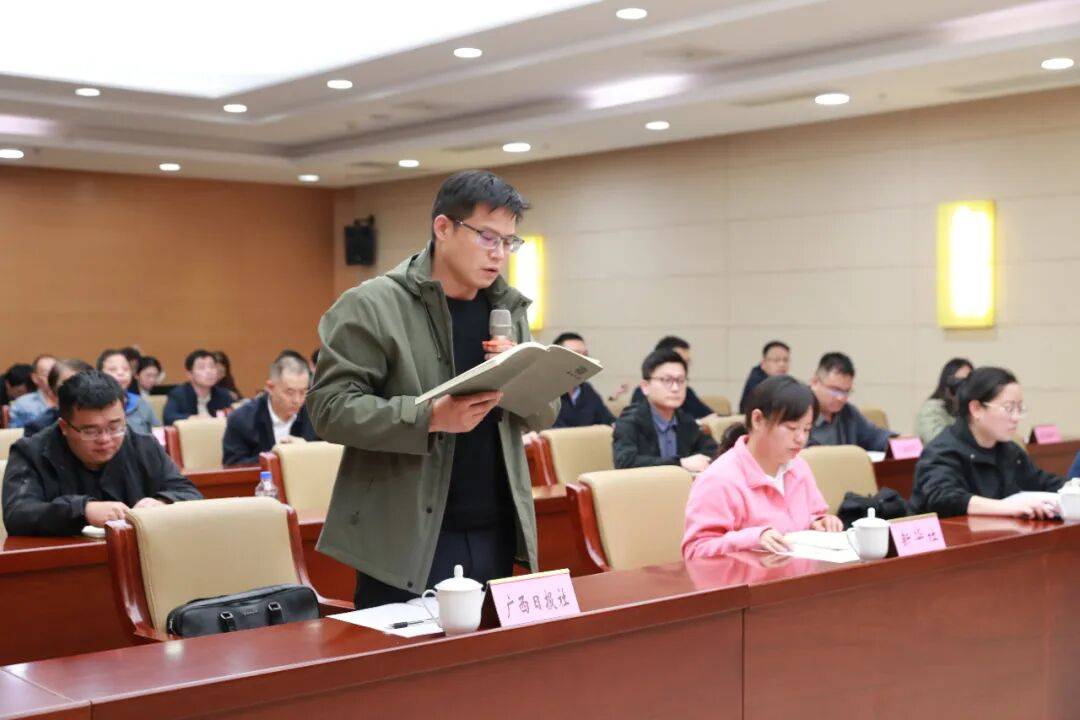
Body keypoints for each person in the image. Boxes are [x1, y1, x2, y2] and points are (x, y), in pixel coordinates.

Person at [306, 169, 558, 609]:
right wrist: (430, 417)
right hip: (406, 536)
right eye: (487, 237)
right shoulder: (373, 304)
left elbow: (544, 413)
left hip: (495, 525)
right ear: (443, 227)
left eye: (508, 242)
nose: (499, 254)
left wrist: (523, 373)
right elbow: (329, 409)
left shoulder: (506, 308)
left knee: (490, 653)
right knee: (407, 654)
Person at [2, 371, 202, 536]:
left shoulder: (143, 445)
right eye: (91, 431)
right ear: (64, 427)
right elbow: (18, 514)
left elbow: (190, 494)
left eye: (115, 427)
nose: (105, 439)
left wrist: (162, 502)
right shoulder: (31, 452)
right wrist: (83, 510)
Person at [683, 376, 842, 558]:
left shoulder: (799, 467)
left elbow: (811, 515)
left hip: (796, 571)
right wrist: (753, 538)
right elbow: (695, 551)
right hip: (747, 575)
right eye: (791, 428)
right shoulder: (718, 478)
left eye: (806, 429)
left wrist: (819, 522)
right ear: (758, 420)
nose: (801, 439)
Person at [911, 367, 1064, 518]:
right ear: (976, 409)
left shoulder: (1010, 451)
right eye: (1009, 408)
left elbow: (1043, 482)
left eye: (1019, 408)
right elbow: (943, 497)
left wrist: (1071, 489)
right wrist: (1007, 507)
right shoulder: (942, 451)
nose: (1016, 417)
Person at [614, 349, 718, 471]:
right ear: (645, 387)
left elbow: (713, 451)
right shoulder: (629, 421)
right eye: (667, 380)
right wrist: (680, 463)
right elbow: (625, 462)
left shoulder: (685, 420)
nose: (675, 388)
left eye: (680, 380)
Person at [222, 355, 319, 465]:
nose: (297, 400)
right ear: (270, 388)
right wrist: (276, 457)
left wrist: (307, 449)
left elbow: (329, 457)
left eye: (303, 392)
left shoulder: (316, 416)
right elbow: (233, 466)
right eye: (290, 392)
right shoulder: (241, 419)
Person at [807, 352, 891, 451]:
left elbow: (875, 437)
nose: (841, 398)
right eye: (835, 390)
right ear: (814, 382)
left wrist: (898, 441)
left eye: (846, 391)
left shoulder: (848, 412)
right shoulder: (798, 412)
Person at [629, 336, 715, 419]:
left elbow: (712, 417)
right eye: (679, 361)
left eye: (687, 363)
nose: (675, 388)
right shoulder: (642, 393)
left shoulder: (686, 392)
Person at [550, 332, 615, 428]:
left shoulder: (586, 389)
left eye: (585, 355)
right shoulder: (546, 391)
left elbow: (609, 421)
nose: (584, 360)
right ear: (557, 358)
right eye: (576, 354)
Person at [163, 349, 234, 425]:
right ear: (190, 374)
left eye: (212, 367)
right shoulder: (178, 395)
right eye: (201, 368)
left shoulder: (223, 395)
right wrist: (194, 418)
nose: (209, 371)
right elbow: (169, 417)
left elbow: (234, 418)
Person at [23, 359, 93, 437]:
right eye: (68, 386)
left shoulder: (103, 421)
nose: (76, 392)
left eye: (83, 386)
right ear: (53, 394)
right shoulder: (38, 428)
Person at [97, 349, 159, 435]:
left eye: (126, 369)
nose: (120, 373)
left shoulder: (140, 403)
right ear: (99, 374)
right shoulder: (93, 406)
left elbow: (158, 433)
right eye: (113, 370)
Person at [914, 358, 973, 445]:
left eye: (967, 382)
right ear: (947, 384)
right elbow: (939, 441)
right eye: (957, 382)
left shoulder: (971, 409)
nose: (963, 387)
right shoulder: (931, 409)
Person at [738, 341, 790, 414]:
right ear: (763, 363)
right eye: (776, 360)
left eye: (785, 360)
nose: (782, 364)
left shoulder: (783, 381)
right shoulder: (757, 383)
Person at [8, 355, 57, 428]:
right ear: (35, 378)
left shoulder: (69, 400)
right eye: (46, 374)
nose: (52, 377)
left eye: (55, 373)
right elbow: (15, 433)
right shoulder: (22, 405)